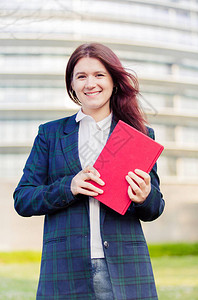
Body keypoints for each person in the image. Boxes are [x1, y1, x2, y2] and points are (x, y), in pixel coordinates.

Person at [14, 43, 165, 300]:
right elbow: (23, 199)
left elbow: (155, 208)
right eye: (81, 76)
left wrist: (144, 196)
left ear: (113, 82)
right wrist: (68, 187)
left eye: (99, 75)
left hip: (125, 267)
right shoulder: (50, 134)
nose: (90, 83)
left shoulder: (138, 136)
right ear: (71, 85)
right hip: (65, 268)